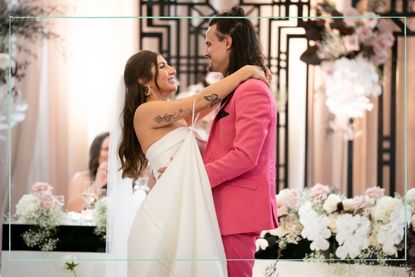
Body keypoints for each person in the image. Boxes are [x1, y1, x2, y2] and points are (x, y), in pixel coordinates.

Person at [116, 50, 268, 277]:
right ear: (143, 80)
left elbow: (210, 103)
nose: (172, 70)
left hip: (183, 206)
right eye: (163, 65)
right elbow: (199, 102)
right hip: (167, 214)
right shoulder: (145, 111)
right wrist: (243, 72)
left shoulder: (175, 116)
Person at [202, 6, 278, 277]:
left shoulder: (252, 90)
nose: (205, 51)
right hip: (225, 209)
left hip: (236, 211)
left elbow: (245, 156)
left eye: (209, 43)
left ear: (228, 42)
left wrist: (196, 176)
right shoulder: (238, 88)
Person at [67, 132, 109, 212]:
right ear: (96, 153)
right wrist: (96, 185)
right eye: (107, 149)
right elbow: (71, 209)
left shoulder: (126, 180)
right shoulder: (80, 178)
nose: (111, 153)